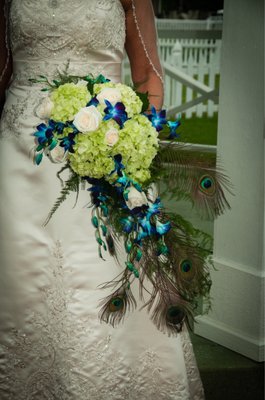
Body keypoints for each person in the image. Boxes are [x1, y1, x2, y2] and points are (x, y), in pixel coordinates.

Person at [0, 1, 205, 398]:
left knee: (103, 274)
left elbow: (147, 75)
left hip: (109, 150)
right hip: (18, 153)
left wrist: (136, 146)